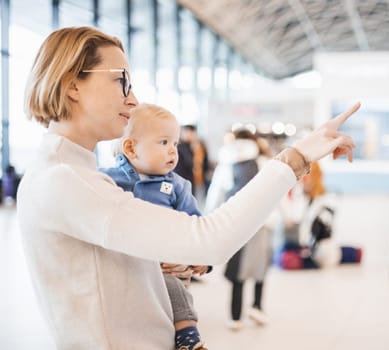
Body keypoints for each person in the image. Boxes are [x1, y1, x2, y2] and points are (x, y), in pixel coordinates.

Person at [18, 25, 359, 349]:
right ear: (71, 85)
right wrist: (297, 157)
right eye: (121, 81)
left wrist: (159, 265)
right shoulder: (66, 181)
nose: (133, 99)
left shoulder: (72, 173)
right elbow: (209, 239)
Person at [99, 103, 210, 350]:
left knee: (171, 287)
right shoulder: (106, 180)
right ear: (131, 147)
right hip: (123, 267)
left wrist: (201, 258)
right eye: (163, 143)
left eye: (175, 144)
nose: (173, 151)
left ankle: (187, 335)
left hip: (165, 267)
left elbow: (196, 227)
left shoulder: (177, 186)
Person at [205, 130, 275, 331]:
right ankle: (257, 307)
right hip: (261, 223)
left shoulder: (226, 162)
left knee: (237, 269)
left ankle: (235, 316)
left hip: (234, 223)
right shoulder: (262, 162)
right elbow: (274, 191)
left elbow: (215, 193)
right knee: (260, 267)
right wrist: (286, 216)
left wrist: (209, 218)